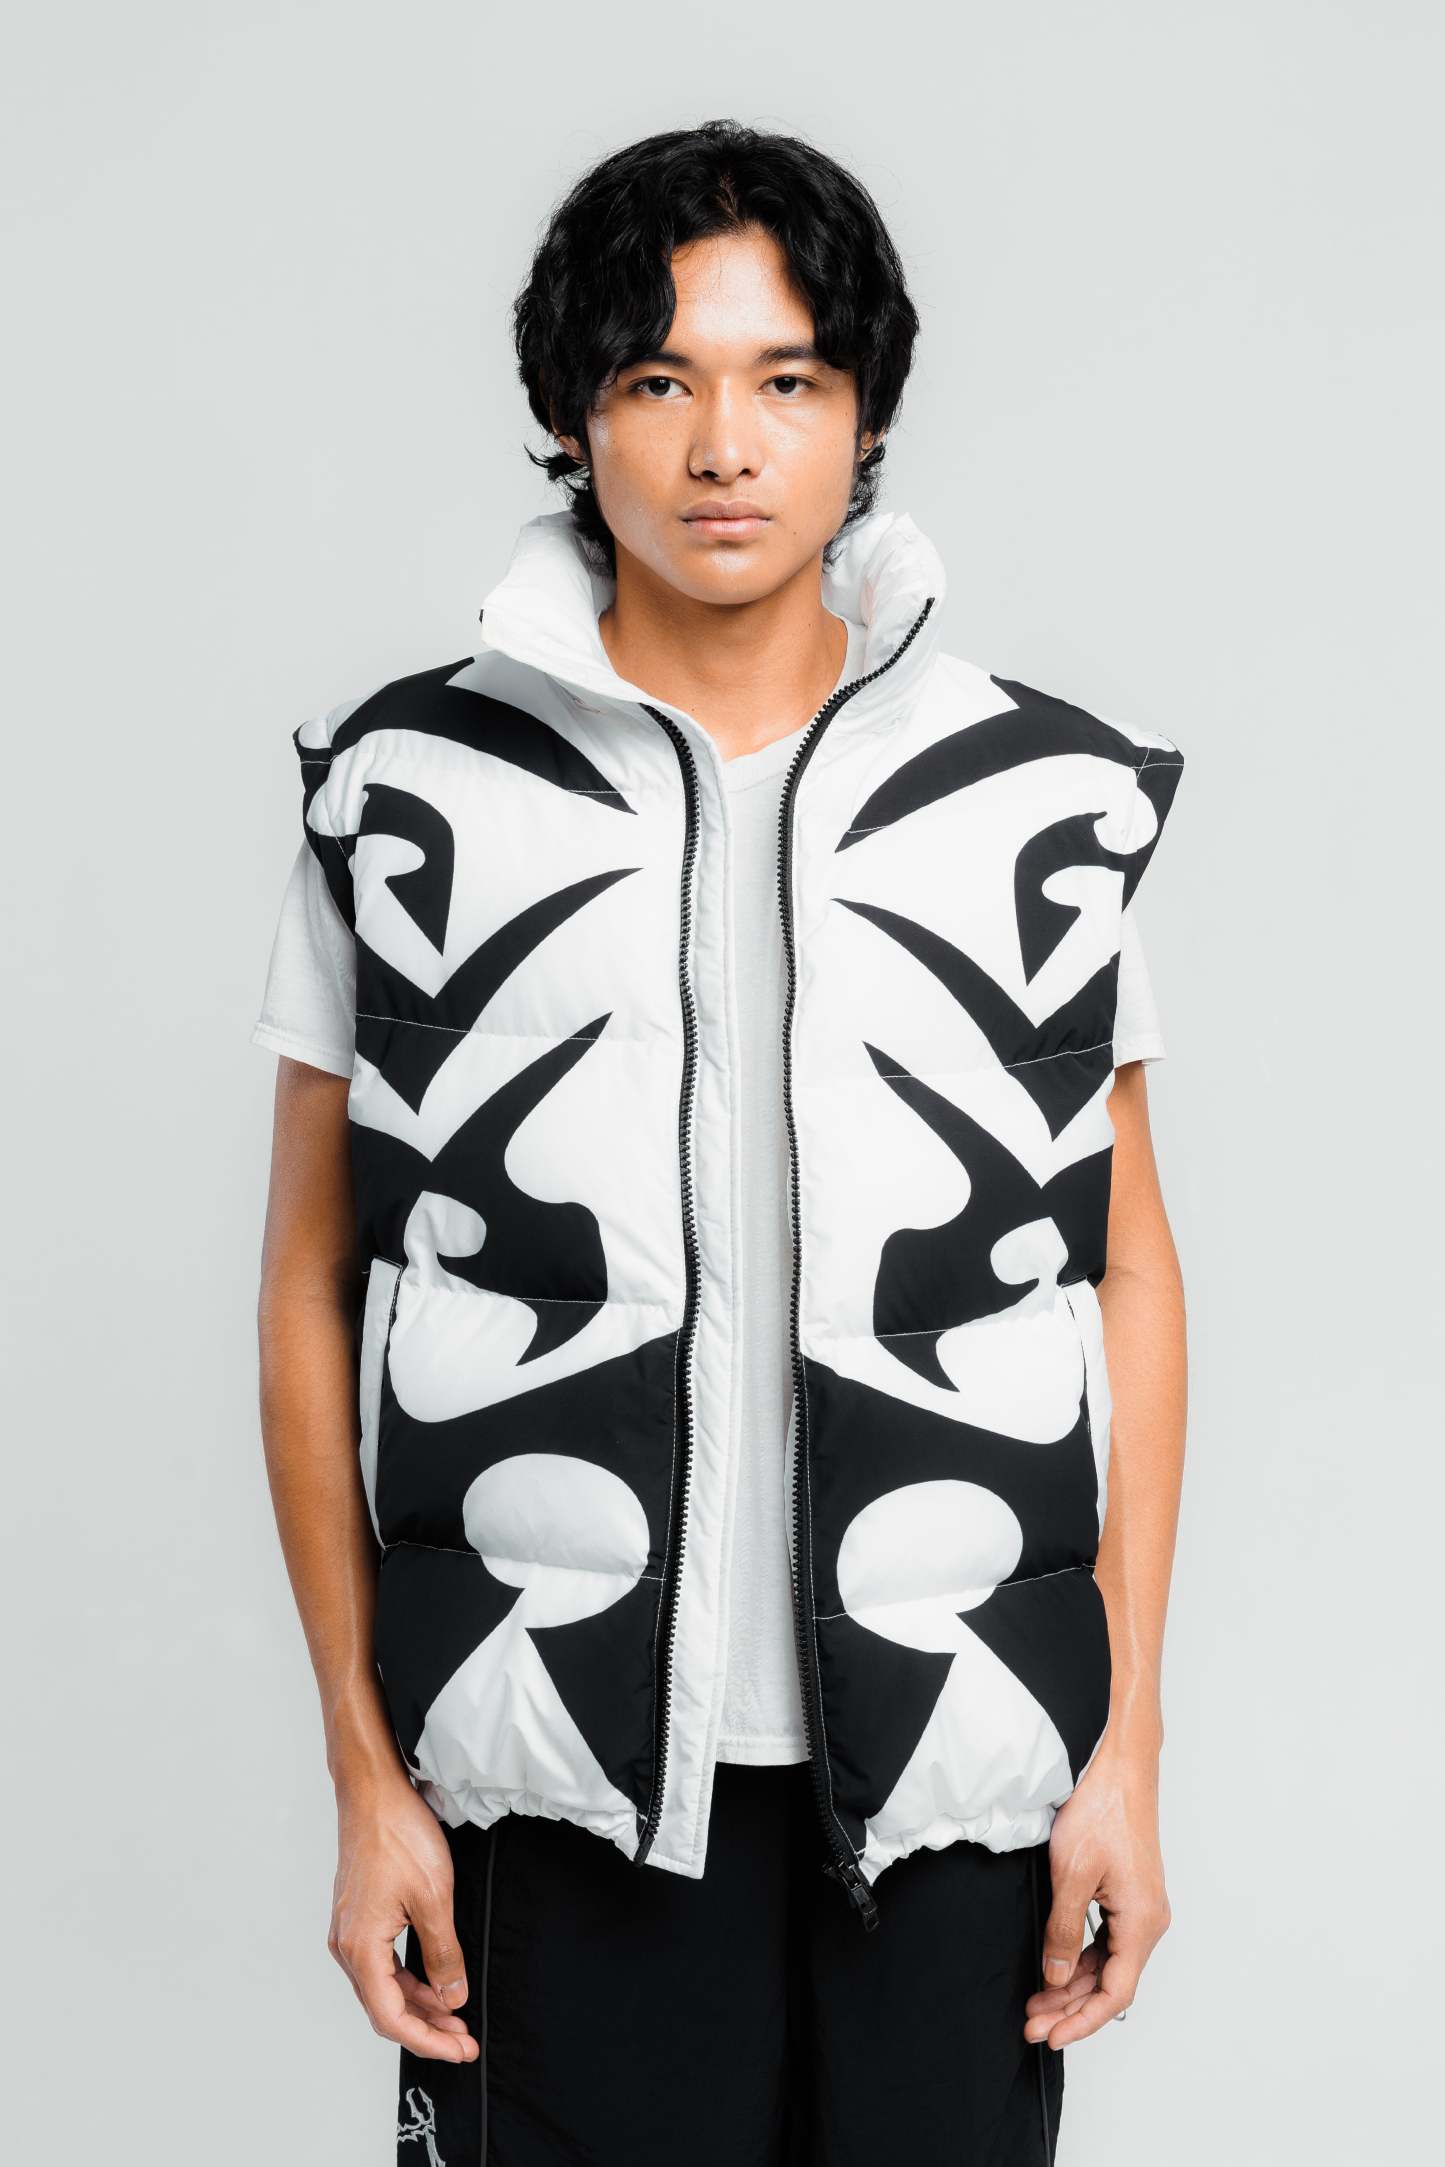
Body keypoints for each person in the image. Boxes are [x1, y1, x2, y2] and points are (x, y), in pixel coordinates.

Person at [254, 118, 1187, 2166]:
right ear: (571, 413)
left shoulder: (1039, 799)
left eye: (788, 379)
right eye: (657, 379)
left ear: (865, 416)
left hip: (958, 1770)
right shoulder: (406, 794)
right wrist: (362, 1773)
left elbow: (1117, 1265)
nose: (723, 446)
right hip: (543, 1774)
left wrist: (1123, 1748)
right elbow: (313, 1284)